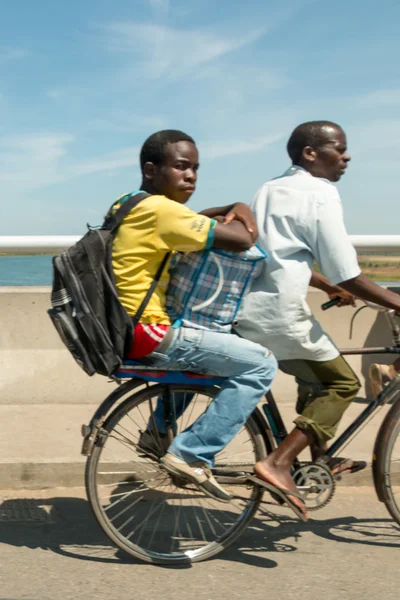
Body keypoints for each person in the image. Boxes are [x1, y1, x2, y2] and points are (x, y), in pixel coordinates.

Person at [235, 120, 400, 519]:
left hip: (249, 313)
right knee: (342, 382)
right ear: (311, 153)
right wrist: (395, 301)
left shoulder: (269, 189)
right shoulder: (321, 193)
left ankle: (320, 459)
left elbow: (278, 254)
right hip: (282, 316)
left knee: (315, 377)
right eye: (338, 148)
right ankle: (278, 463)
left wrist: (326, 287)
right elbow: (348, 271)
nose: (346, 156)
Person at [111, 129, 277, 503]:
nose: (191, 176)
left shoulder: (130, 203)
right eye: (181, 167)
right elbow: (242, 238)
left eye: (195, 169)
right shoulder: (161, 210)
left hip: (124, 326)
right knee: (262, 365)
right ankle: (191, 453)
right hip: (151, 332)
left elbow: (187, 223)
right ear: (152, 170)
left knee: (206, 347)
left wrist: (216, 212)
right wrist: (242, 207)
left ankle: (158, 432)